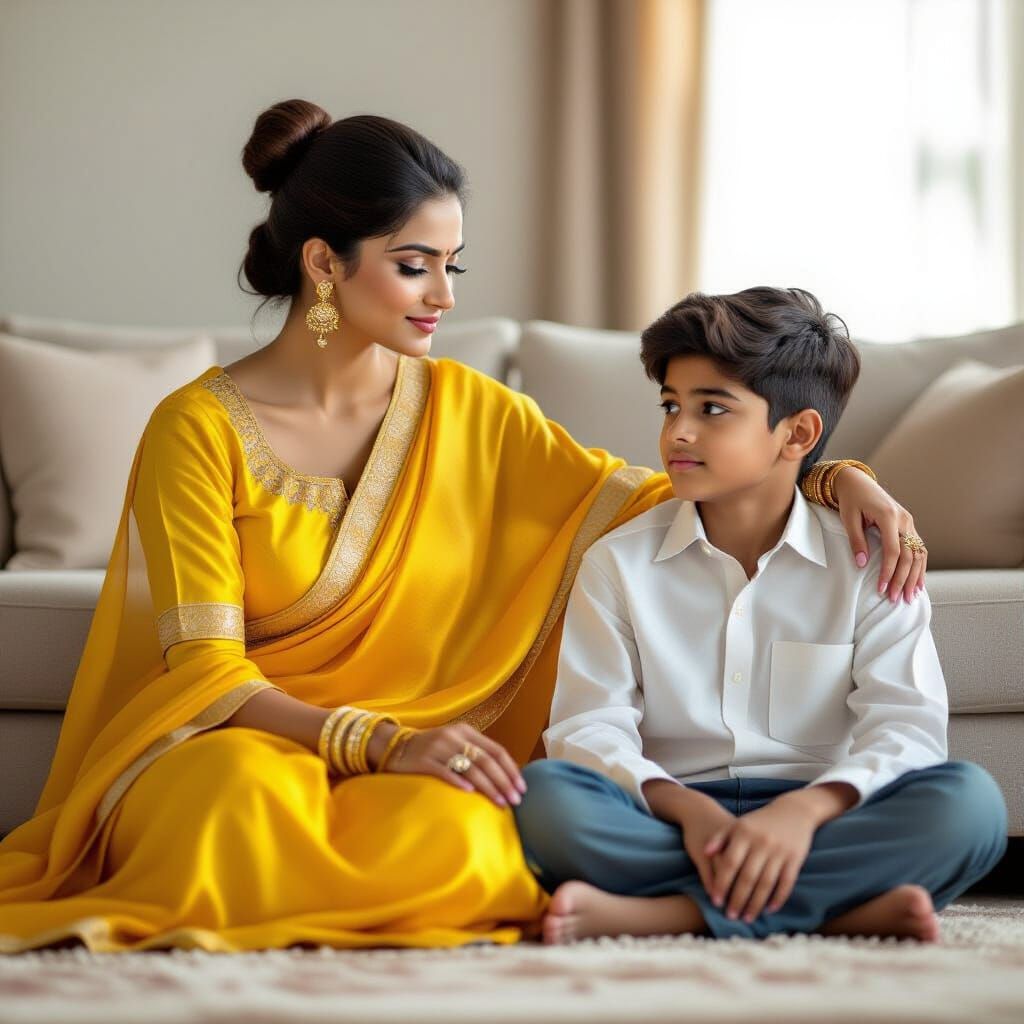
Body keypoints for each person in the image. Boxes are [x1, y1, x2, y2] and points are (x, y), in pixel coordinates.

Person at [0, 102, 924, 953]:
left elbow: (665, 494)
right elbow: (204, 670)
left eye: (453, 265)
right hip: (245, 741)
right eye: (415, 265)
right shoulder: (197, 429)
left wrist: (835, 475)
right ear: (324, 264)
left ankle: (707, 908)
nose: (444, 295)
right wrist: (379, 741)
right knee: (228, 820)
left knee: (475, 848)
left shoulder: (473, 410)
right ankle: (814, 905)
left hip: (421, 747)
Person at [513, 287, 1007, 945]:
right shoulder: (617, 562)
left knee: (970, 808)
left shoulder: (871, 561)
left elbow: (908, 729)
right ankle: (839, 911)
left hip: (823, 812)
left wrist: (803, 813)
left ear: (797, 433)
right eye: (671, 405)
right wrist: (689, 812)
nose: (678, 432)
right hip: (669, 811)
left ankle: (671, 913)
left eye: (712, 409)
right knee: (545, 797)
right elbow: (588, 726)